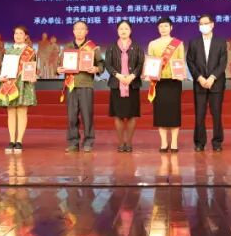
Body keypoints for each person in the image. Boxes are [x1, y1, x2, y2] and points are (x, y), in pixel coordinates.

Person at [187, 14, 227, 152]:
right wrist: (199, 78)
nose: (203, 26)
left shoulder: (221, 42)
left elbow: (223, 63)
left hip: (216, 83)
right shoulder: (194, 42)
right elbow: (190, 61)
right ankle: (199, 142)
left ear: (212, 24)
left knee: (216, 114)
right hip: (200, 83)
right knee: (199, 114)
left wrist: (212, 78)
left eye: (206, 23)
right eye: (201, 24)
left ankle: (217, 142)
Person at [62, 20, 103, 153]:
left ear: (86, 31)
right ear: (73, 31)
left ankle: (88, 141)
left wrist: (96, 69)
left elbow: (101, 64)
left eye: (82, 29)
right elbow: (59, 63)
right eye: (77, 29)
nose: (79, 31)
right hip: (71, 84)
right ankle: (73, 143)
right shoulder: (67, 47)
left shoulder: (93, 47)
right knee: (72, 116)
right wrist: (58, 69)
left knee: (87, 115)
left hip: (86, 84)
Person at [104, 19, 144, 152]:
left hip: (133, 85)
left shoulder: (137, 46)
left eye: (126, 28)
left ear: (130, 31)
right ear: (117, 31)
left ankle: (129, 143)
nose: (123, 31)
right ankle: (121, 143)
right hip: (116, 84)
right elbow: (108, 64)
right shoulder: (111, 47)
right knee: (118, 115)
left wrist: (132, 76)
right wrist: (118, 76)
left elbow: (141, 64)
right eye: (121, 29)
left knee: (132, 115)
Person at [147, 16, 185, 153]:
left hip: (174, 82)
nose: (163, 28)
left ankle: (174, 142)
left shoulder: (178, 44)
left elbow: (181, 61)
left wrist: (181, 74)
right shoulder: (152, 44)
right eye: (161, 26)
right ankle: (163, 142)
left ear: (171, 27)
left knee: (174, 112)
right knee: (161, 113)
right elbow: (151, 62)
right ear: (158, 28)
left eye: (166, 26)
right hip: (159, 82)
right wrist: (149, 74)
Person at [0, 25, 37, 153]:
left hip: (24, 84)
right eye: (16, 33)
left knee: (21, 112)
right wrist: (0, 77)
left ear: (26, 36)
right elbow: (3, 68)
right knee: (11, 113)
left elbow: (33, 68)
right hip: (9, 83)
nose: (18, 36)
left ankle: (19, 141)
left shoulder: (30, 51)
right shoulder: (8, 50)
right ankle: (11, 141)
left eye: (21, 33)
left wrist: (33, 76)